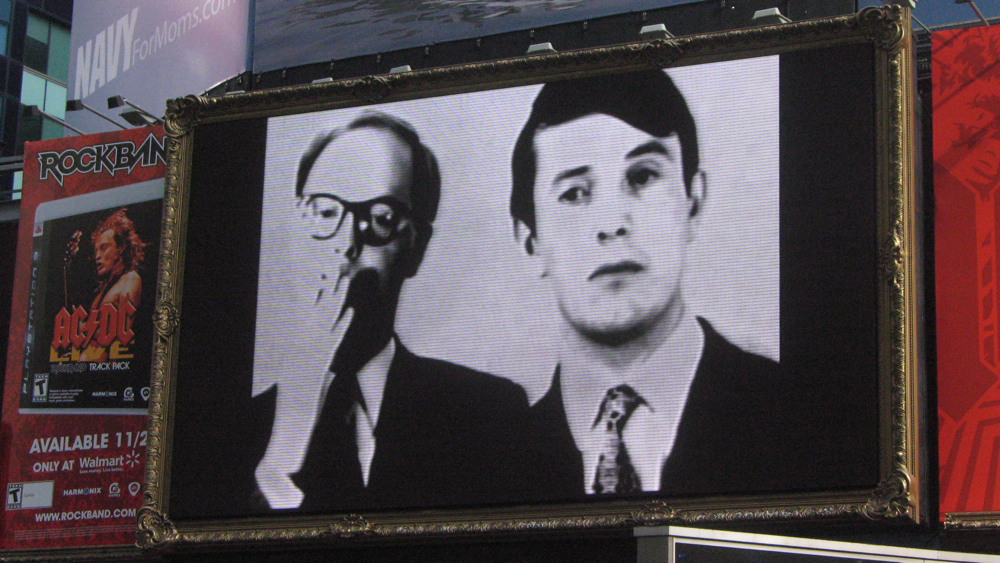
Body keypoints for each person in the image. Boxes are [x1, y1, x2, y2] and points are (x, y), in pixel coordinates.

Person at [509, 70, 809, 497]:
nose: (613, 224)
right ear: (530, 240)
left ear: (694, 202)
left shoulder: (804, 414)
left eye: (643, 177)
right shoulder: (491, 459)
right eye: (575, 193)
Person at [252, 111, 534, 513]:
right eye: (325, 212)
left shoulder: (490, 416)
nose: (346, 244)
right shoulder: (233, 434)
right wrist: (282, 452)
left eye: (381, 218)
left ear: (416, 248)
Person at [80, 208, 145, 362]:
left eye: (104, 248)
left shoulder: (131, 279)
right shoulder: (106, 288)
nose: (97, 256)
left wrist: (82, 328)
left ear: (121, 248)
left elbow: (123, 332)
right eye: (96, 250)